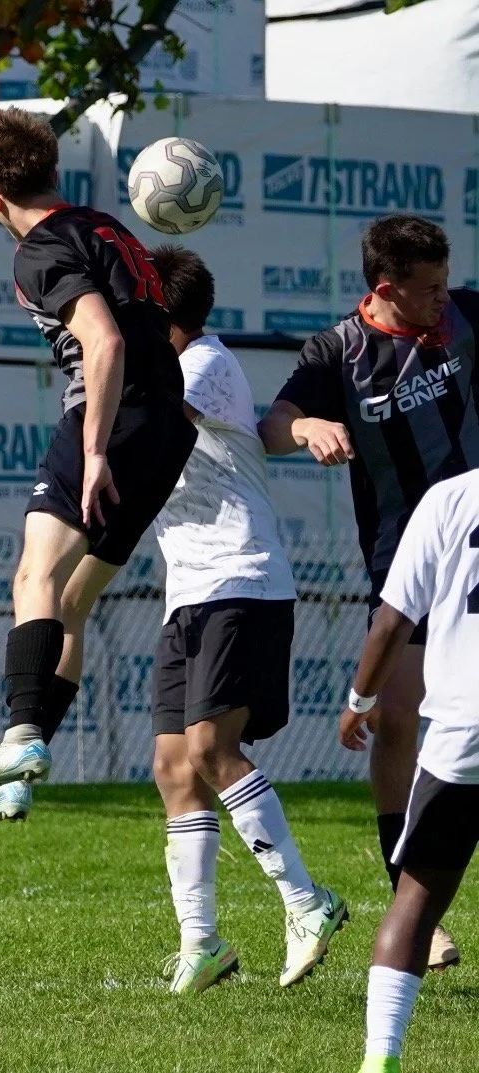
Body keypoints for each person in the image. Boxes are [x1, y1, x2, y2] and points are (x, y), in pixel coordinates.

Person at [0, 105, 197, 819]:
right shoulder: (105, 226)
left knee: (35, 574)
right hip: (165, 429)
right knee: (72, 601)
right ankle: (18, 778)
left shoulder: (39, 249)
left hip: (111, 422)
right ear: (54, 172)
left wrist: (92, 452)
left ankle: (21, 736)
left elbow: (104, 342)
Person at [258, 213, 479, 971]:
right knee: (395, 720)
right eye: (428, 290)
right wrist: (308, 427)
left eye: (447, 284)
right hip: (407, 561)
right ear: (386, 289)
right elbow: (273, 422)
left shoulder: (465, 315)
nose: (442, 301)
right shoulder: (337, 353)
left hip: (475, 541)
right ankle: (412, 902)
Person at [148, 246, 347, 994]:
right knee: (174, 765)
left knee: (210, 747)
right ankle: (203, 941)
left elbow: (152, 411)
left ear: (163, 317)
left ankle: (308, 901)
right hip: (189, 592)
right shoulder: (167, 360)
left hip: (242, 578)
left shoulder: (202, 363)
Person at [339, 469, 479, 1073]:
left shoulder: (449, 499)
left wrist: (359, 701)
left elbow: (393, 621)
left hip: (462, 733)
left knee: (415, 904)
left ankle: (380, 1059)